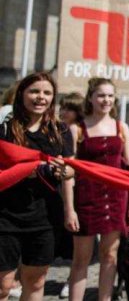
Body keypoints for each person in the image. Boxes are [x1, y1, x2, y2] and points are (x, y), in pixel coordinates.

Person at [0, 72, 75, 301]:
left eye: (47, 93)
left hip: (44, 216)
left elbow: (72, 170)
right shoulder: (5, 129)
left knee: (36, 281)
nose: (40, 97)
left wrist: (65, 171)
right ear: (21, 94)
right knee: (3, 285)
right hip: (5, 215)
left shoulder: (60, 131)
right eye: (34, 91)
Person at [63, 78, 129, 301]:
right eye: (101, 95)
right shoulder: (77, 129)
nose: (106, 100)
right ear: (90, 98)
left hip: (116, 197)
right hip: (87, 197)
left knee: (110, 255)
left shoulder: (121, 126)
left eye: (109, 95)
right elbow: (68, 172)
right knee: (81, 259)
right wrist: (69, 209)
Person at [50, 92, 85, 300]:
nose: (63, 112)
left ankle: (72, 281)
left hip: (73, 187)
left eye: (69, 109)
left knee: (75, 242)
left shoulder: (73, 129)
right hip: (67, 185)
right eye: (62, 107)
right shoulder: (63, 128)